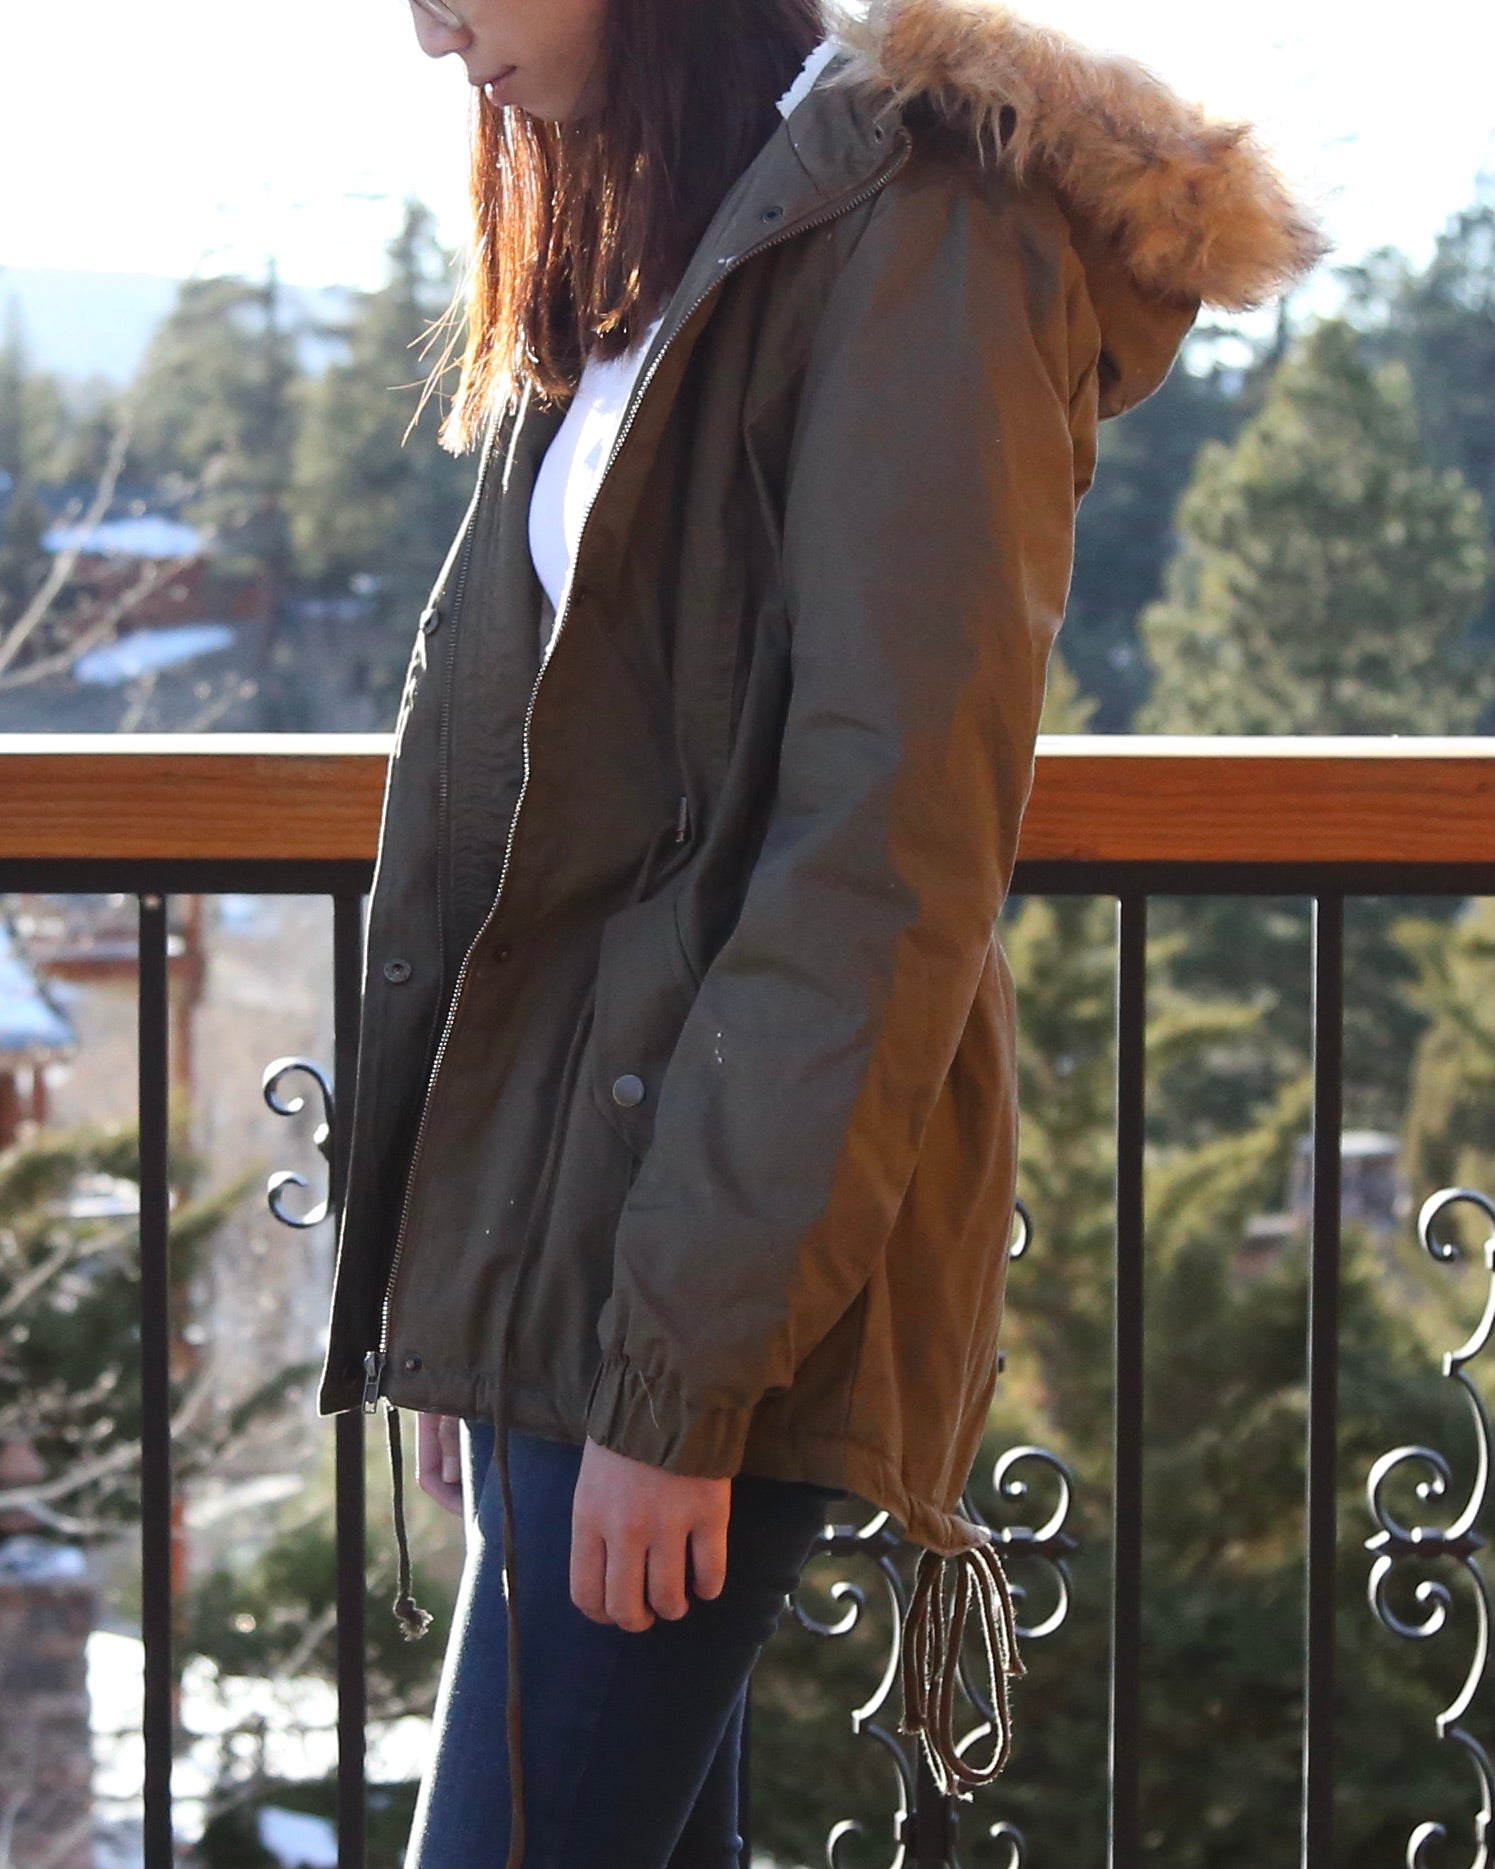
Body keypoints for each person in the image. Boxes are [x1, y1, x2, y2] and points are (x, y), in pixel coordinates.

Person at [315, 1, 1330, 1863]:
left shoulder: (929, 233)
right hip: (588, 1245)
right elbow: (561, 808)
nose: (427, 25)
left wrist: (678, 1380)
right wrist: (475, 1285)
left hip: (714, 1270)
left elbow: (885, 850)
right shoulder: (666, 221)